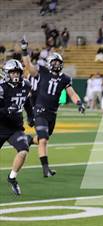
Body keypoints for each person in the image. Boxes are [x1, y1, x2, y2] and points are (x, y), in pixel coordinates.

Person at [20, 39, 85, 177]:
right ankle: (45, 169)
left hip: (52, 114)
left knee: (42, 138)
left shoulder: (65, 79)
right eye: (54, 63)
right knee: (44, 139)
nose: (56, 65)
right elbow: (28, 65)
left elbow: (71, 93)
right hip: (40, 110)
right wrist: (25, 50)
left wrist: (79, 103)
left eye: (58, 63)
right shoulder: (42, 72)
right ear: (49, 64)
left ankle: (30, 140)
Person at [0, 60, 33, 195]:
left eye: (17, 72)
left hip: (15, 127)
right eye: (13, 72)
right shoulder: (1, 87)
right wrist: (7, 110)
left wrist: (31, 116)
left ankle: (12, 177)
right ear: (7, 73)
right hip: (0, 126)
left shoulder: (26, 85)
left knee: (23, 151)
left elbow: (27, 102)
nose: (15, 75)